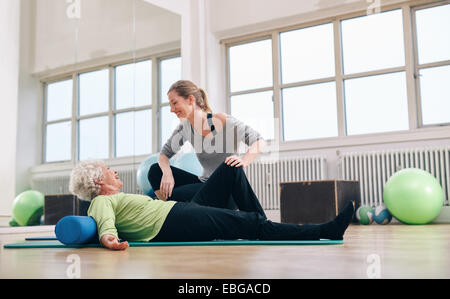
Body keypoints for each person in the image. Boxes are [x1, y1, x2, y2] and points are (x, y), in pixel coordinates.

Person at [69, 160, 355, 251]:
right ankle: (325, 230)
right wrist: (109, 239)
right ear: (97, 180)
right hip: (175, 219)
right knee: (246, 224)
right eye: (108, 170)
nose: (115, 172)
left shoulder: (111, 197)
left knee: (230, 167)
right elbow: (106, 224)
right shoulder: (102, 201)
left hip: (178, 212)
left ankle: (259, 222)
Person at [149, 80, 266, 203]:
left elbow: (259, 141)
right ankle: (171, 212)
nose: (171, 110)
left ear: (190, 100)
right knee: (155, 171)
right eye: (170, 105)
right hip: (204, 183)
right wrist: (167, 173)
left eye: (174, 103)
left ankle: (178, 211)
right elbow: (163, 155)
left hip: (226, 189)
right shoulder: (185, 127)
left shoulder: (223, 121)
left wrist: (243, 161)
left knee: (177, 195)